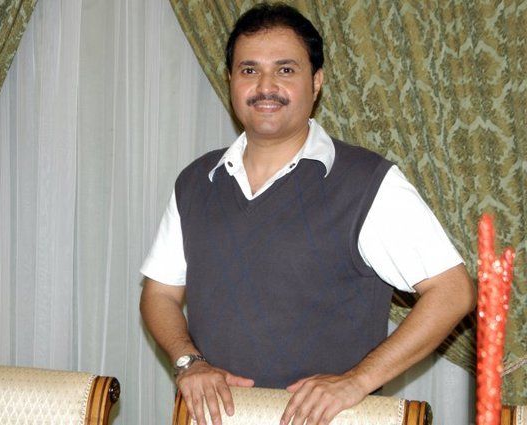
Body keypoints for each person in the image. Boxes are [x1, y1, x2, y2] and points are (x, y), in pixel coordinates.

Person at [140, 3, 475, 425]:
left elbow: (453, 291)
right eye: (249, 70)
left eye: (285, 70)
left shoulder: (368, 182)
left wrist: (357, 381)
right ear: (230, 81)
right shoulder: (196, 181)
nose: (265, 86)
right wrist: (188, 361)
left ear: (316, 82)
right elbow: (159, 294)